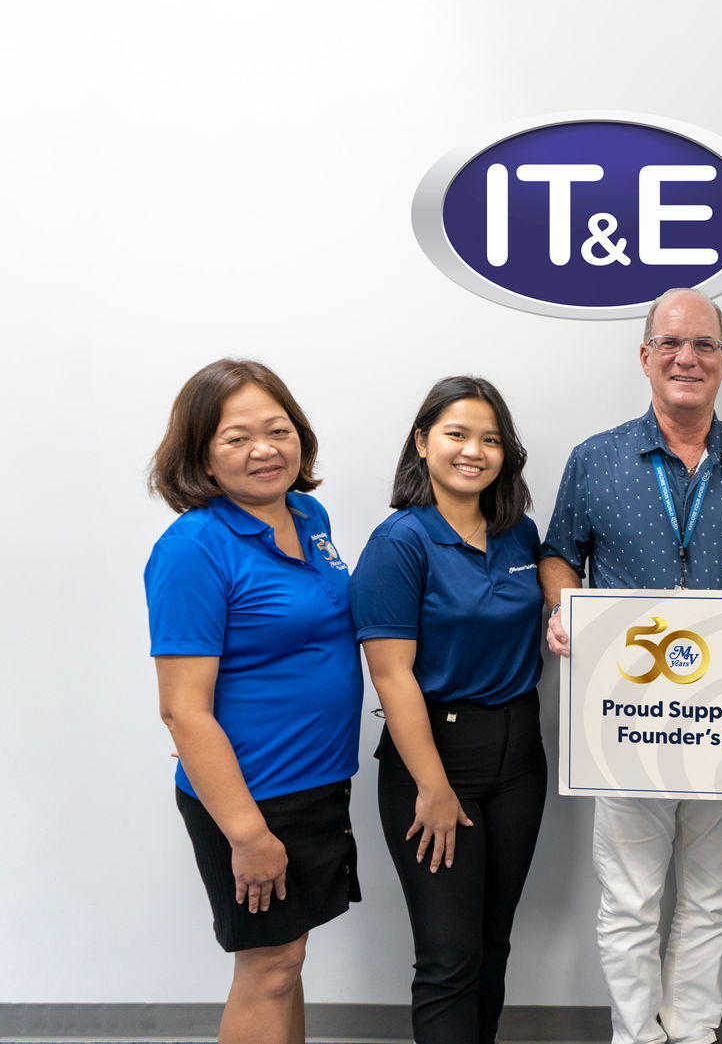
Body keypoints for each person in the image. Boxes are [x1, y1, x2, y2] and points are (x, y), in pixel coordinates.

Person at [539, 287, 722, 1044]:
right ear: (645, 356)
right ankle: (635, 1035)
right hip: (626, 714)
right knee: (629, 898)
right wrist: (562, 607)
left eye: (702, 345)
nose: (686, 357)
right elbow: (559, 554)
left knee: (711, 895)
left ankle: (692, 1032)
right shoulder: (594, 458)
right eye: (670, 342)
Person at [144, 359, 362, 1044]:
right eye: (237, 438)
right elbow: (182, 708)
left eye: (278, 430)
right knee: (269, 967)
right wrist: (246, 832)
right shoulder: (193, 548)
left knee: (286, 962)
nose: (264, 449)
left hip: (318, 782)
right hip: (253, 795)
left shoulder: (308, 514)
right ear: (201, 453)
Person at [348, 377, 547, 1044]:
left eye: (490, 439)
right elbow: (391, 675)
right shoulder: (399, 542)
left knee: (493, 942)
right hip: (436, 758)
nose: (473, 451)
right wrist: (432, 787)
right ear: (422, 442)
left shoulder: (519, 534)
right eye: (457, 434)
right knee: (448, 956)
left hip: (520, 756)